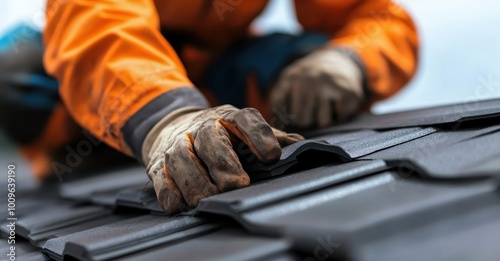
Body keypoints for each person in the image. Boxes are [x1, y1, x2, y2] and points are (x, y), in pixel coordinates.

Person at [0, 0, 418, 214]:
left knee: (306, 60)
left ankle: (216, 135)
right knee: (11, 72)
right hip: (96, 85)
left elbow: (370, 14)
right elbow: (95, 24)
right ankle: (97, 146)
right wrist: (162, 117)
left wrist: (353, 58)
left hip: (212, 73)